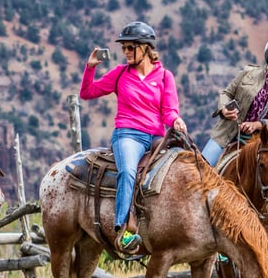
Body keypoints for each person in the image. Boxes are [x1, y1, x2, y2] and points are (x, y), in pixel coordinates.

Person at [80, 21, 187, 254]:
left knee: (185, 166)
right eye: (124, 48)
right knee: (128, 171)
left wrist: (176, 121)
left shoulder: (164, 76)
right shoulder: (119, 74)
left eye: (131, 47)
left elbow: (168, 111)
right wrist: (90, 68)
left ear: (146, 48)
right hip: (128, 134)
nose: (126, 52)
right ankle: (123, 230)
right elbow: (87, 93)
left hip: (158, 137)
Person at [202, 33, 268, 209]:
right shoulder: (249, 73)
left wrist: (259, 124)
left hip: (265, 141)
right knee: (201, 171)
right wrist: (224, 109)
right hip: (229, 134)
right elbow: (227, 94)